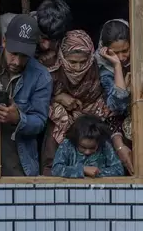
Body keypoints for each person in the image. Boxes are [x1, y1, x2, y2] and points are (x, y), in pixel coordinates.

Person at [42, 30, 118, 176]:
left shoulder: (98, 70)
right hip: (59, 119)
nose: (78, 68)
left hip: (92, 119)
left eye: (83, 62)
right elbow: (37, 100)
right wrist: (57, 98)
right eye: (72, 62)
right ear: (62, 57)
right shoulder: (51, 71)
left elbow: (111, 101)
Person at [0, 14, 53, 176]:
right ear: (4, 42)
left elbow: (40, 121)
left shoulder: (41, 76)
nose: (16, 62)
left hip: (18, 163)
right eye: (13, 53)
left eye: (24, 56)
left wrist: (18, 119)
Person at [95, 19, 134, 175]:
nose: (121, 57)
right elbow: (117, 105)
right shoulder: (103, 68)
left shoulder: (140, 60)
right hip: (113, 129)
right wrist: (117, 67)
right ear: (104, 50)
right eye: (114, 52)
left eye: (125, 50)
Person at [0, 0, 73, 72]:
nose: (46, 46)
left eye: (53, 40)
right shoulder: (8, 25)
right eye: (42, 37)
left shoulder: (66, 41)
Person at [51, 115, 124, 178]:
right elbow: (56, 170)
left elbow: (119, 170)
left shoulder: (104, 145)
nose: (87, 152)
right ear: (76, 141)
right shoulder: (68, 144)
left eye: (92, 148)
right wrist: (82, 170)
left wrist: (97, 172)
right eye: (83, 147)